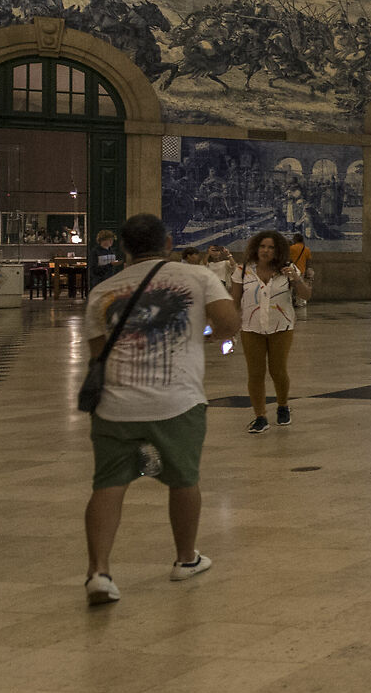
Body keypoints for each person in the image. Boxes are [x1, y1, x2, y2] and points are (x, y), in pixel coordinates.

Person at [83, 213, 237, 606]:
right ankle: (185, 559)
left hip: (115, 404)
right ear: (168, 243)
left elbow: (98, 353)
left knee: (108, 484)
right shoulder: (197, 276)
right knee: (184, 479)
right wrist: (203, 335)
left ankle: (99, 572)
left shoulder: (103, 291)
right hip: (176, 400)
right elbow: (229, 324)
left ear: (124, 248)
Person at [230, 229, 309, 434]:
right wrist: (229, 325)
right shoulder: (242, 270)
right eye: (262, 246)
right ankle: (260, 416)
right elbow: (235, 300)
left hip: (281, 326)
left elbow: (306, 294)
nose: (265, 251)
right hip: (251, 327)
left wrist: (296, 279)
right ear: (256, 248)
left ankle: (283, 406)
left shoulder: (287, 270)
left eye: (271, 247)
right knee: (255, 372)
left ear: (278, 250)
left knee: (278, 369)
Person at [286, 234, 312, 315]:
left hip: (292, 269)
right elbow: (308, 261)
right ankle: (300, 303)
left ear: (295, 239)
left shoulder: (291, 248)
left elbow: (288, 258)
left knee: (290, 287)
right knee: (300, 287)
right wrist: (307, 270)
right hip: (302, 270)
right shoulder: (307, 249)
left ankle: (290, 302)